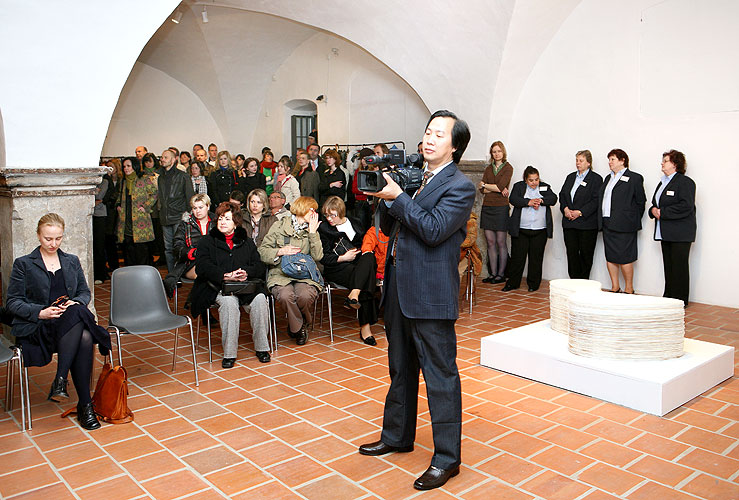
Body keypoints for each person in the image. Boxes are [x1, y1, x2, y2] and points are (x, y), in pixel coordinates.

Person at [358, 110, 475, 491]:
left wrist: (399, 197)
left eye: (438, 134)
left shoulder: (460, 186)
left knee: (440, 376)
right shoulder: (415, 179)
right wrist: (386, 198)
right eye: (427, 132)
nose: (429, 139)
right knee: (400, 368)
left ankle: (446, 459)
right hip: (397, 288)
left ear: (454, 146)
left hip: (429, 292)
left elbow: (434, 230)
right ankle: (397, 436)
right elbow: (390, 228)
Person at [6, 213, 112, 430]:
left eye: (58, 238)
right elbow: (13, 303)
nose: (53, 244)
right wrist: (41, 312)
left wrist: (74, 302)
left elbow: (84, 292)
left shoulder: (71, 261)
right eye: (48, 239)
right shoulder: (24, 264)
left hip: (68, 326)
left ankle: (66, 386)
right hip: (40, 327)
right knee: (83, 327)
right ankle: (82, 403)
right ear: (38, 236)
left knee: (78, 320)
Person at [190, 202, 271, 367]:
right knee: (228, 303)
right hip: (218, 286)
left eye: (227, 219)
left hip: (245, 286)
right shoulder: (207, 241)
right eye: (220, 218)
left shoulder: (247, 242)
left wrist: (245, 272)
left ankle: (262, 348)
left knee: (261, 300)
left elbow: (259, 266)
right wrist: (225, 275)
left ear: (236, 222)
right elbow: (202, 266)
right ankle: (229, 354)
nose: (222, 222)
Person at [258, 196, 323, 346]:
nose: (314, 213)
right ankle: (299, 327)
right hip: (280, 273)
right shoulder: (279, 226)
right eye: (311, 209)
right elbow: (262, 251)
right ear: (301, 209)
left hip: (304, 275)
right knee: (286, 295)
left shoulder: (312, 229)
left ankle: (295, 323)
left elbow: (318, 256)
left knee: (305, 296)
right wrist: (280, 251)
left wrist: (313, 233)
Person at [318, 196, 378, 345]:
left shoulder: (356, 223)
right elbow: (323, 257)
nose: (329, 219)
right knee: (364, 276)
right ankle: (366, 328)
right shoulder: (324, 229)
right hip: (337, 266)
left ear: (341, 212)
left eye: (333, 215)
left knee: (369, 258)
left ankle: (354, 293)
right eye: (326, 215)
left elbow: (365, 245)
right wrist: (343, 258)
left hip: (358, 263)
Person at [648, 149, 696, 305]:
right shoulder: (662, 182)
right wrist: (653, 210)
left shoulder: (685, 182)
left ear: (675, 164)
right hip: (665, 232)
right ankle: (669, 298)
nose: (662, 163)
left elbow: (686, 206)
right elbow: (655, 204)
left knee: (679, 267)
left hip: (680, 233)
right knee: (669, 266)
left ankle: (681, 300)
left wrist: (663, 212)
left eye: (666, 161)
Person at [502, 166, 558, 292]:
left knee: (536, 259)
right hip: (521, 229)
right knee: (517, 258)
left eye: (536, 179)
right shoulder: (519, 187)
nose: (534, 183)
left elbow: (553, 199)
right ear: (526, 180)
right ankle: (513, 283)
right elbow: (513, 199)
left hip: (540, 230)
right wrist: (528, 202)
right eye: (531, 180)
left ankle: (533, 284)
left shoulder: (545, 187)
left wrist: (540, 201)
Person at [598, 148, 646, 294]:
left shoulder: (634, 178)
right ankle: (615, 287)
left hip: (625, 225)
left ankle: (629, 288)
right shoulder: (608, 178)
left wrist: (631, 219)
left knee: (625, 258)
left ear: (622, 160)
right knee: (610, 256)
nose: (609, 162)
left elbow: (640, 202)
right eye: (609, 159)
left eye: (612, 159)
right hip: (608, 223)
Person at [558, 150, 603, 279]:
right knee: (571, 254)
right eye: (577, 160)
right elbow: (562, 195)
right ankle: (573, 281)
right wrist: (565, 209)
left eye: (581, 160)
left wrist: (580, 212)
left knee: (586, 255)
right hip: (569, 223)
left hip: (587, 224)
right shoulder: (571, 177)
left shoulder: (596, 179)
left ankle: (583, 283)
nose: (578, 163)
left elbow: (596, 200)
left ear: (588, 163)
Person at [162, 193, 215, 297]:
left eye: (201, 207)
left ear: (208, 206)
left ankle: (201, 303)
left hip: (213, 261)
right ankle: (203, 308)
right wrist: (192, 252)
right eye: (194, 208)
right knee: (203, 272)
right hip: (190, 263)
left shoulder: (217, 222)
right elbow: (177, 247)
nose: (198, 211)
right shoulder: (185, 224)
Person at [479, 141, 514, 284]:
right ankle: (493, 273)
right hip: (487, 207)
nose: (497, 154)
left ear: (503, 152)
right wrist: (491, 188)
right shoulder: (488, 169)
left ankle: (501, 274)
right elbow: (481, 190)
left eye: (499, 151)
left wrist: (486, 185)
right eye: (494, 151)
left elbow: (500, 186)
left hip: (501, 208)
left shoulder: (508, 168)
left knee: (501, 241)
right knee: (490, 242)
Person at [158, 149, 195, 274]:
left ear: (173, 160)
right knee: (167, 249)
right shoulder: (160, 177)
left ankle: (179, 274)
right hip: (164, 217)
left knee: (178, 248)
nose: (162, 159)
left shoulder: (183, 176)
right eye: (162, 157)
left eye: (166, 157)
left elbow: (190, 197)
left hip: (178, 217)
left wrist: (187, 215)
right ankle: (171, 275)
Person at [116, 157, 157, 265]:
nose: (126, 169)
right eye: (124, 166)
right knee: (128, 251)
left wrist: (146, 206)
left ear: (135, 166)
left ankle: (144, 278)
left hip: (140, 220)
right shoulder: (123, 181)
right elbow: (120, 196)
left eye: (128, 166)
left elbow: (155, 193)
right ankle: (131, 278)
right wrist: (118, 206)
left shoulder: (144, 179)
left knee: (142, 252)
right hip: (126, 221)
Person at [351, 148, 376, 230]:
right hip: (360, 202)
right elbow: (354, 189)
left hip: (371, 203)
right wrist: (368, 190)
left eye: (365, 159)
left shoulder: (374, 171)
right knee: (360, 227)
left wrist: (364, 189)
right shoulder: (358, 171)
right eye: (362, 159)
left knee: (370, 226)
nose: (363, 161)